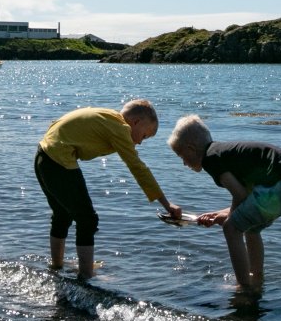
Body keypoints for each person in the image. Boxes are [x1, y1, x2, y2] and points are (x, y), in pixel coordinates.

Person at [35, 99, 183, 281]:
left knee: (62, 215)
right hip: (59, 161)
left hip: (43, 156)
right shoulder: (121, 129)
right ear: (135, 122)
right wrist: (167, 204)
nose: (141, 143)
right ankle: (86, 276)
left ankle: (56, 267)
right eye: (144, 136)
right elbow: (138, 168)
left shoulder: (109, 118)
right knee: (87, 220)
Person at [166, 114, 281, 297]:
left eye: (181, 156)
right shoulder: (223, 153)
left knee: (231, 228)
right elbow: (246, 196)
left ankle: (244, 289)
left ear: (191, 148)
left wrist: (227, 218)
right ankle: (256, 278)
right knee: (250, 226)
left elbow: (239, 196)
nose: (184, 163)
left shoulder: (210, 159)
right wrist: (219, 214)